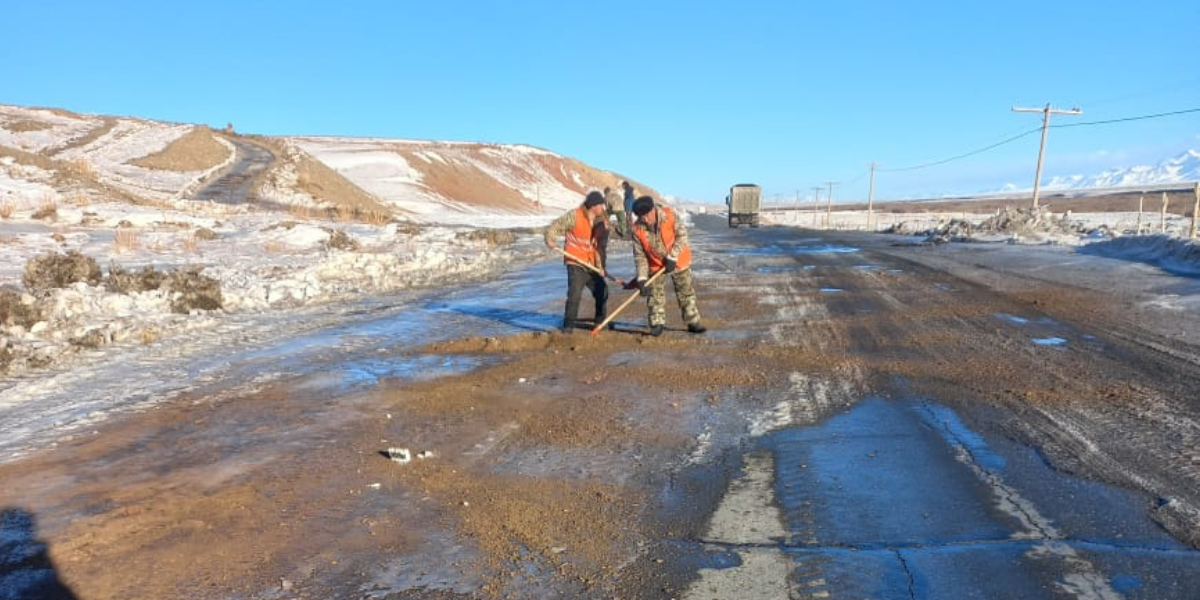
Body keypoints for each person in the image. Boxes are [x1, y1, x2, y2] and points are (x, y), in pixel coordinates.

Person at [626, 196, 707, 336]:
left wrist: (673, 256)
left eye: (646, 215)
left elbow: (682, 236)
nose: (644, 219)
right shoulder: (637, 229)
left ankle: (693, 322)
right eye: (640, 217)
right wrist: (641, 277)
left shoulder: (669, 215)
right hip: (656, 265)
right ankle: (657, 324)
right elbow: (640, 257)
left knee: (685, 291)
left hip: (678, 259)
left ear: (653, 210)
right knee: (655, 295)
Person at [544, 190, 611, 332]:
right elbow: (555, 226)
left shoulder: (602, 221)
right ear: (592, 205)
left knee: (602, 291)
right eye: (600, 205)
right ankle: (568, 328)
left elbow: (600, 248)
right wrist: (550, 238)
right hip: (575, 261)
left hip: (591, 264)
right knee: (574, 295)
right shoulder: (575, 215)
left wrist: (601, 267)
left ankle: (600, 323)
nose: (602, 208)